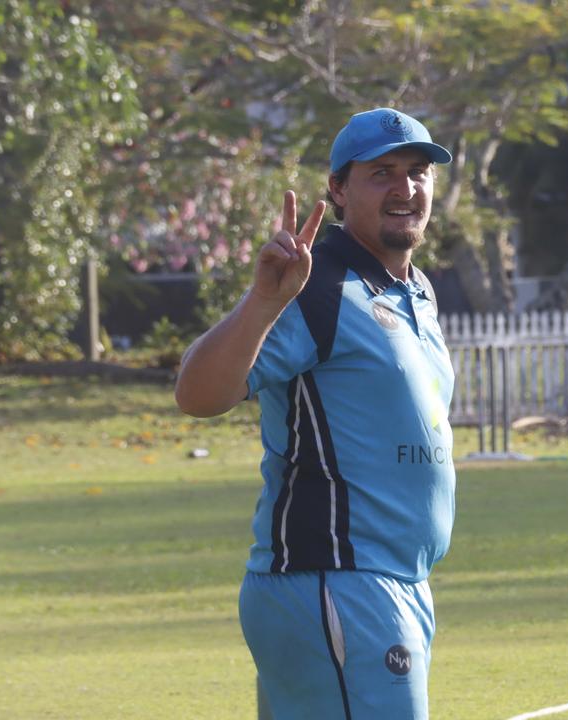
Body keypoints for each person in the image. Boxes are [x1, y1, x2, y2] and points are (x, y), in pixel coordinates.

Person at [174, 107, 456, 719]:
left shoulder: (418, 290)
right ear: (337, 188)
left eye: (418, 172)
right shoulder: (315, 287)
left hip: (388, 583)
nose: (405, 188)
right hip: (336, 581)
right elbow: (197, 395)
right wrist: (262, 302)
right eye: (382, 173)